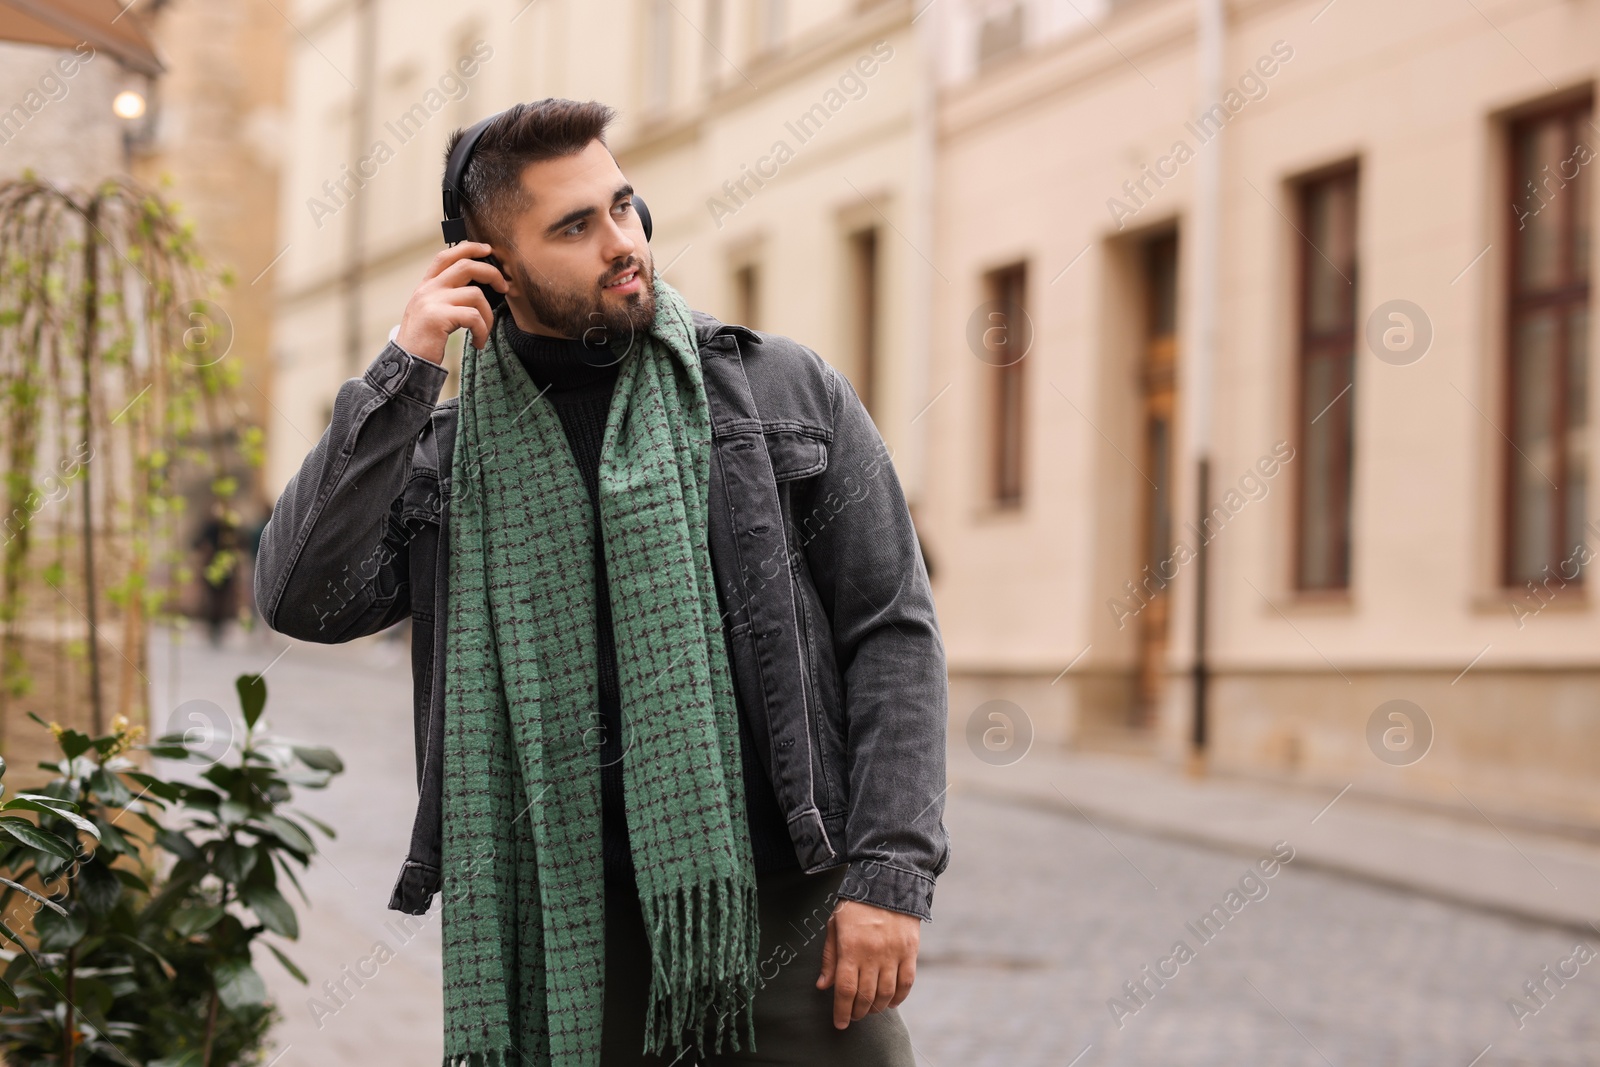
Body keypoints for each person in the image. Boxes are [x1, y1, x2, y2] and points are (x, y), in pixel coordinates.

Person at [253, 98, 950, 1066]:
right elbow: (303, 598)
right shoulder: (450, 456)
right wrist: (401, 376)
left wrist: (888, 873)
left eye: (624, 206)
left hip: (791, 906)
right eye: (575, 227)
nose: (622, 243)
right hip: (563, 928)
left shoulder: (782, 390)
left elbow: (891, 631)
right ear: (491, 267)